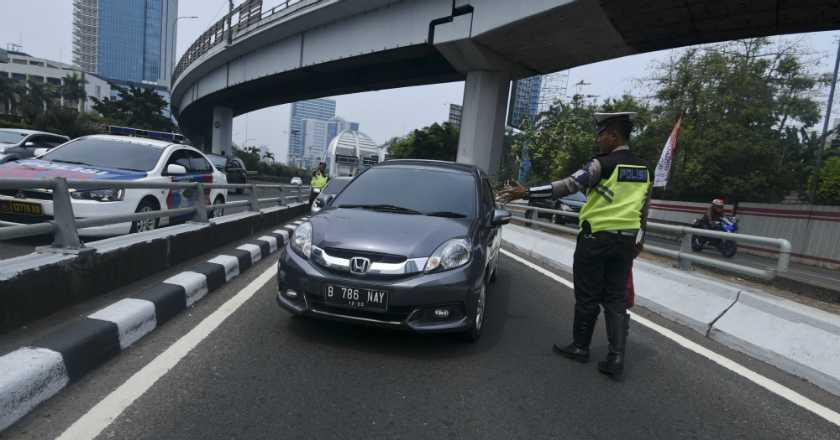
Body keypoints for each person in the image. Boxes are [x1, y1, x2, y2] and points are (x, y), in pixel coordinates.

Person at [497, 112, 652, 378]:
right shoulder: (643, 169)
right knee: (615, 299)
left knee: (588, 295)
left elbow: (569, 185)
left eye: (601, 134)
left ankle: (580, 347)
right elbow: (643, 209)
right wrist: (640, 238)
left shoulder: (601, 164)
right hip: (625, 242)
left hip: (596, 240)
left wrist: (527, 193)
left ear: (613, 135)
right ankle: (616, 357)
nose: (598, 139)